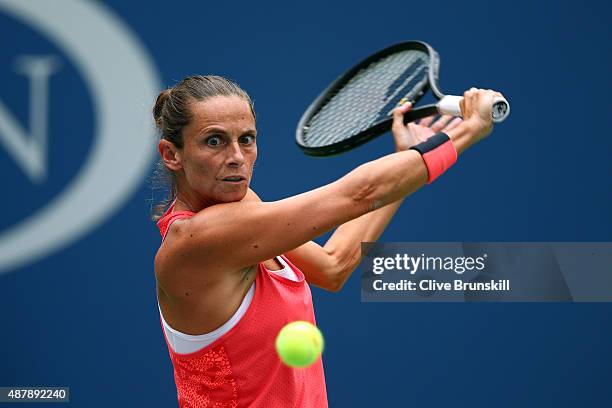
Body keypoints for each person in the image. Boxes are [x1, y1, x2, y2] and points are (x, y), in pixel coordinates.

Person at [152, 75, 499, 407]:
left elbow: (334, 265)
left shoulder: (242, 211)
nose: (237, 157)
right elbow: (361, 193)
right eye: (214, 141)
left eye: (246, 139)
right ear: (172, 154)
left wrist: (403, 158)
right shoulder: (198, 239)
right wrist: (469, 129)